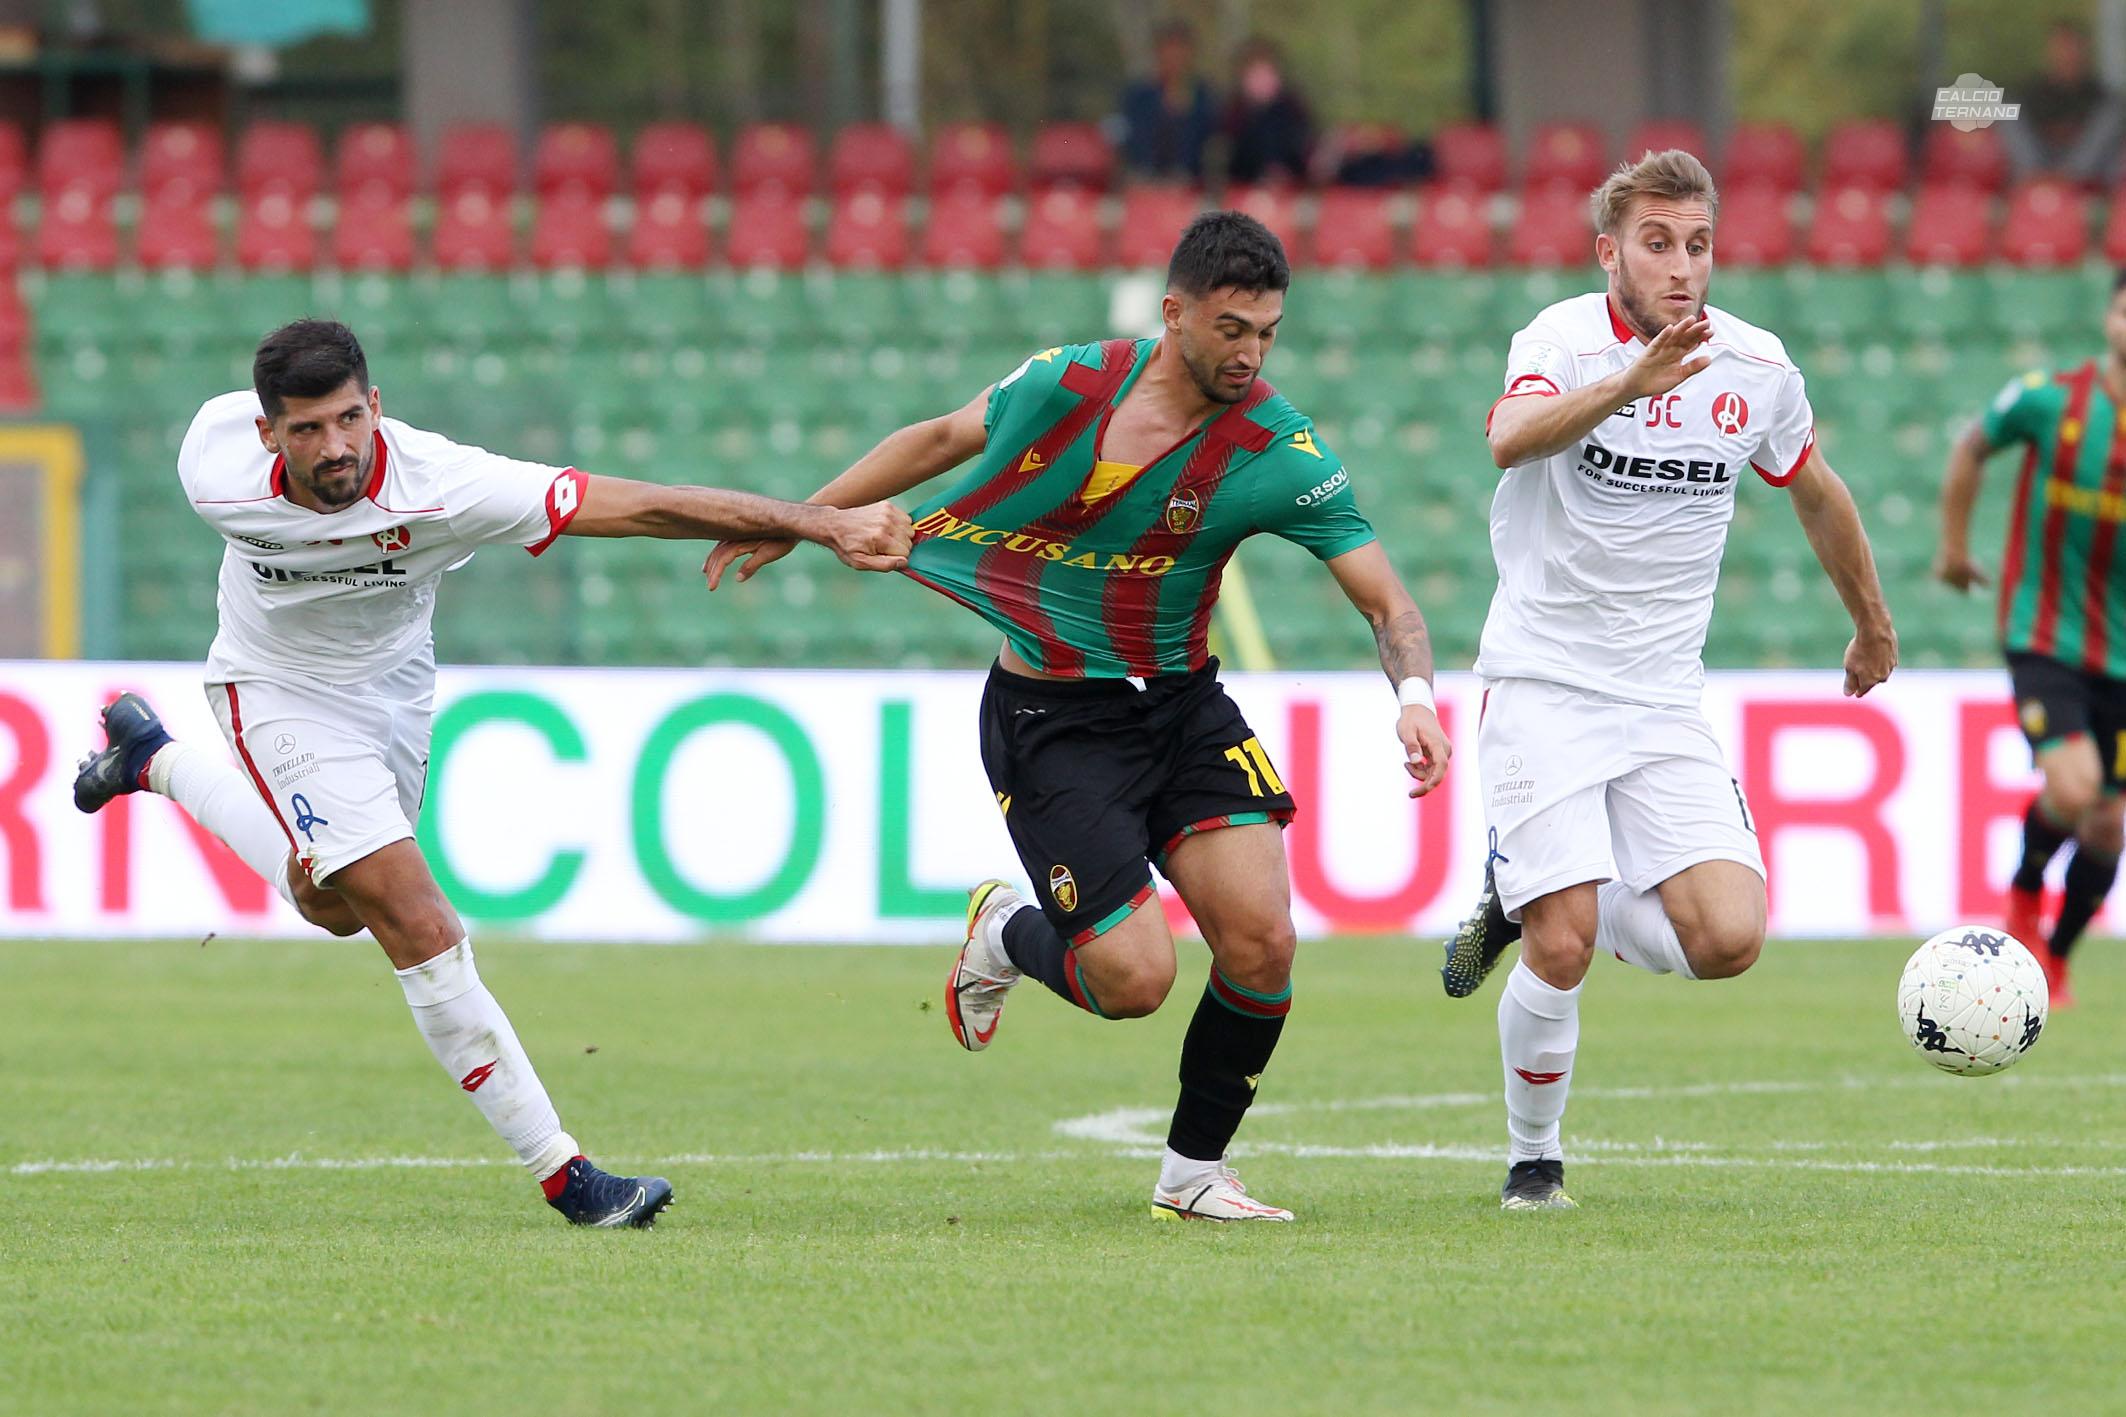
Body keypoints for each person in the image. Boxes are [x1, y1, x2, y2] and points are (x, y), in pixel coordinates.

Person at [71, 320, 911, 1227]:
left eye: (351, 418)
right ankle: (569, 1175)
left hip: (394, 691)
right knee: (417, 921)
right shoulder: (213, 461)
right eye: (307, 429)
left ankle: (152, 757)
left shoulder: (445, 485)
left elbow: (643, 505)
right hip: (275, 690)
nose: (336, 446)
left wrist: (815, 521)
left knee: (335, 907)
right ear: (268, 434)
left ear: (377, 405)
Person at [704, 212, 1451, 1223]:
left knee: (1262, 943)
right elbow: (935, 438)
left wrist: (1413, 699)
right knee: (1133, 980)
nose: (1249, 352)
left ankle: (1192, 1173)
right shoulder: (1065, 382)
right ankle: (1005, 935)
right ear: (1172, 311)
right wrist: (804, 520)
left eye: (1267, 332)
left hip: (1181, 706)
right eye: (1231, 328)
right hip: (1051, 714)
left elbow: (1387, 602)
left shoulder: (1276, 447)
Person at [1438, 150, 1898, 1211]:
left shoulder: (1755, 368)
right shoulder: (1558, 340)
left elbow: (1815, 492)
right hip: (1542, 682)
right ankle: (1532, 1160)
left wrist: (1870, 625)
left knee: (1729, 938)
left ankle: (1522, 892)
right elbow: (1507, 438)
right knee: (1565, 940)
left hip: (1658, 698)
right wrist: (1621, 388)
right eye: (1656, 244)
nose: (1681, 267)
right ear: (1609, 254)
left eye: (1696, 244)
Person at [1933, 270, 2126, 1008]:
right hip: (2047, 632)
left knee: (2107, 825)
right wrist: (1953, 547)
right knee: (2075, 786)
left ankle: (2057, 957)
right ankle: (2021, 893)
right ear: (2108, 316)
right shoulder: (2049, 399)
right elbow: (1972, 446)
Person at [2002, 22, 2126, 186]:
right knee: (2006, 108)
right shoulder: (2031, 92)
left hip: (2085, 168)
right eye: (2062, 50)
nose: (2067, 55)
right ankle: (2038, 180)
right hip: (2038, 163)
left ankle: (2066, 180)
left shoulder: (2099, 95)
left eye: (2072, 50)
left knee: (2114, 112)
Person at [1117, 19, 1218, 182]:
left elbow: (1208, 138)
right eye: (1169, 49)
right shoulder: (1138, 94)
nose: (1174, 56)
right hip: (1144, 180)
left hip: (1189, 182)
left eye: (1180, 50)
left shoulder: (1203, 94)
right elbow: (1131, 138)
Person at [1221, 38, 1313, 186]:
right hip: (1245, 186)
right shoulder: (1234, 111)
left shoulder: (1292, 107)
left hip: (1290, 187)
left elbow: (1303, 145)